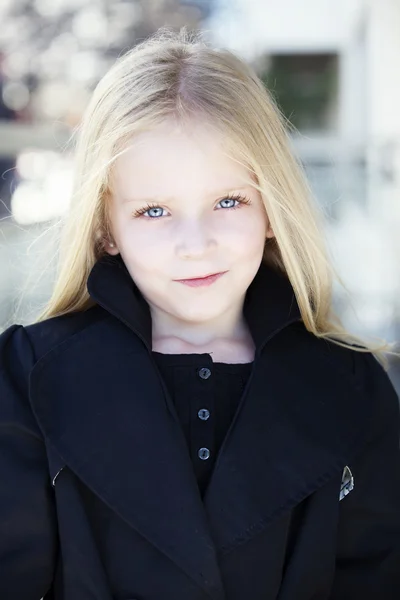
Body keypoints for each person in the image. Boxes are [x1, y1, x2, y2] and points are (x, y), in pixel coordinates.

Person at [0, 27, 399, 600]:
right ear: (105, 226)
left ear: (271, 208)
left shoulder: (355, 385)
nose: (195, 243)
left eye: (228, 201)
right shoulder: (27, 375)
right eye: (155, 210)